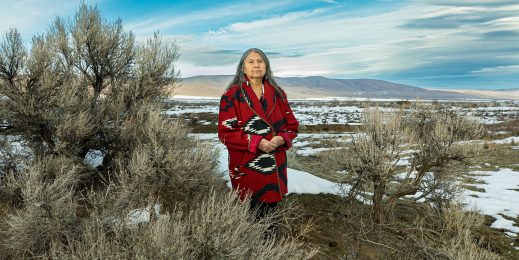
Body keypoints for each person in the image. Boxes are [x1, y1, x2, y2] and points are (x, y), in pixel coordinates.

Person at [218, 48, 299, 221]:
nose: (256, 65)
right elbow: (225, 133)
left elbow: (292, 126)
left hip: (274, 166)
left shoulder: (278, 94)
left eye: (260, 61)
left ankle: (271, 247)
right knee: (249, 214)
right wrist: (256, 142)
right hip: (246, 166)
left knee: (270, 216)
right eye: (251, 61)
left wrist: (281, 138)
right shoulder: (232, 95)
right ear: (243, 68)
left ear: (266, 66)